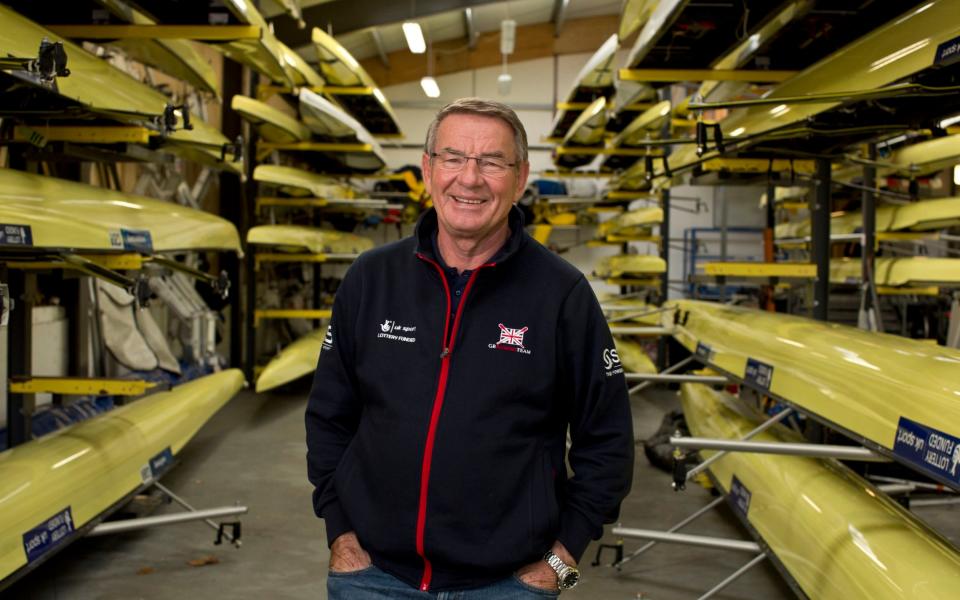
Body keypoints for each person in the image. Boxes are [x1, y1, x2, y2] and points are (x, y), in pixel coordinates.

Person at [306, 98, 634, 598]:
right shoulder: (369, 280)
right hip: (371, 575)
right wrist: (340, 531)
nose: (470, 178)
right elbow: (329, 414)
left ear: (520, 177)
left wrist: (562, 560)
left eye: (492, 162)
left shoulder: (562, 295)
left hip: (507, 583)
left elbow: (606, 439)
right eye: (454, 157)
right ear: (428, 169)